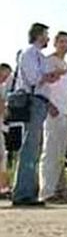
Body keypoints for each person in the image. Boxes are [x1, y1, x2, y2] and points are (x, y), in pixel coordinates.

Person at [12, 23, 61, 207]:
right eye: (46, 35)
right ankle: (23, 194)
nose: (48, 38)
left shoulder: (38, 55)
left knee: (33, 148)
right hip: (32, 102)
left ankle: (27, 191)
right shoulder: (29, 53)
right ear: (39, 35)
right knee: (29, 148)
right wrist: (50, 76)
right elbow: (33, 79)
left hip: (39, 102)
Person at [39, 31, 67, 203]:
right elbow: (41, 84)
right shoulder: (48, 61)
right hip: (53, 113)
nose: (65, 45)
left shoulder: (65, 64)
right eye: (62, 42)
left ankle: (59, 189)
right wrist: (48, 105)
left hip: (65, 113)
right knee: (50, 152)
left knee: (60, 154)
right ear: (55, 43)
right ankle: (46, 192)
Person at [0, 63, 13, 196]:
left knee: (3, 156)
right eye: (5, 74)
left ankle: (3, 187)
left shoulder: (3, 87)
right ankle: (3, 187)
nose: (6, 78)